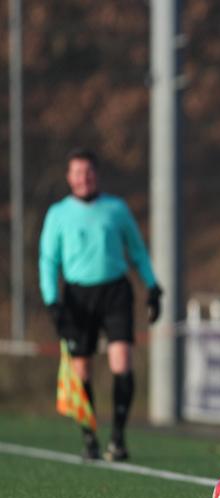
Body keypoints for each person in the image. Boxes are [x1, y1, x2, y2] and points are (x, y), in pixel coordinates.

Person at [39, 148, 162, 461]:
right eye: (77, 173)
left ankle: (118, 437)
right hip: (77, 297)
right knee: (82, 367)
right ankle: (90, 436)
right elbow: (48, 261)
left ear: (96, 176)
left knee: (121, 360)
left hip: (115, 292)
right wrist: (53, 303)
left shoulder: (115, 209)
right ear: (69, 178)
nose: (84, 179)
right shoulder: (58, 214)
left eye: (88, 172)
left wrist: (152, 286)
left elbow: (136, 250)